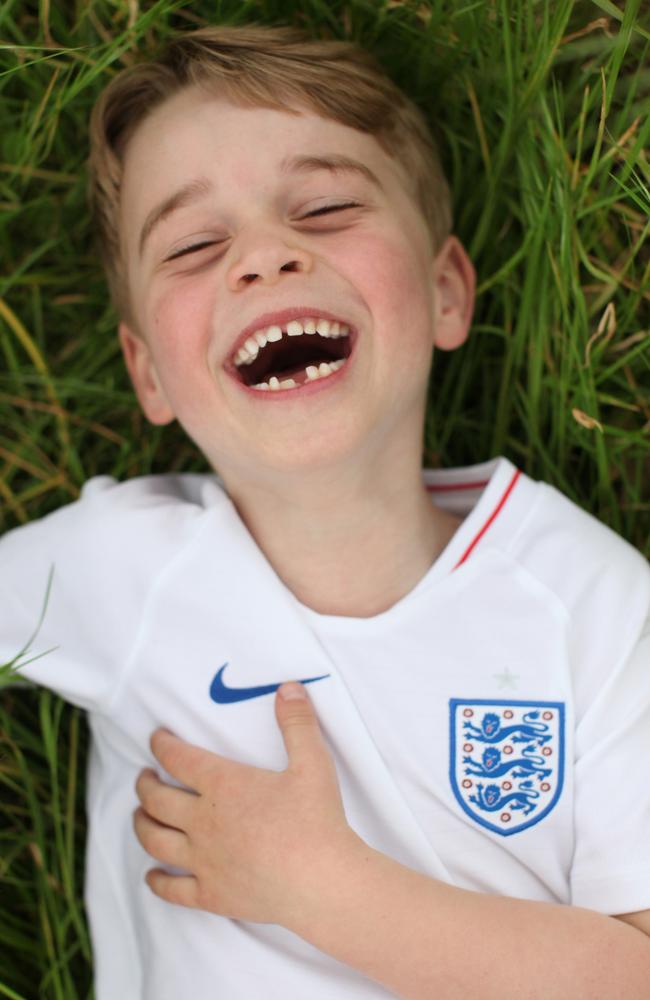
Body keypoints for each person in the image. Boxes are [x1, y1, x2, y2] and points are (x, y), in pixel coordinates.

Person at [1, 21, 649, 1000]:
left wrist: (323, 891)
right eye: (194, 243)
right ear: (149, 373)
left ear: (442, 291)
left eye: (325, 206)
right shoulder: (122, 566)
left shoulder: (590, 604)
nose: (261, 256)